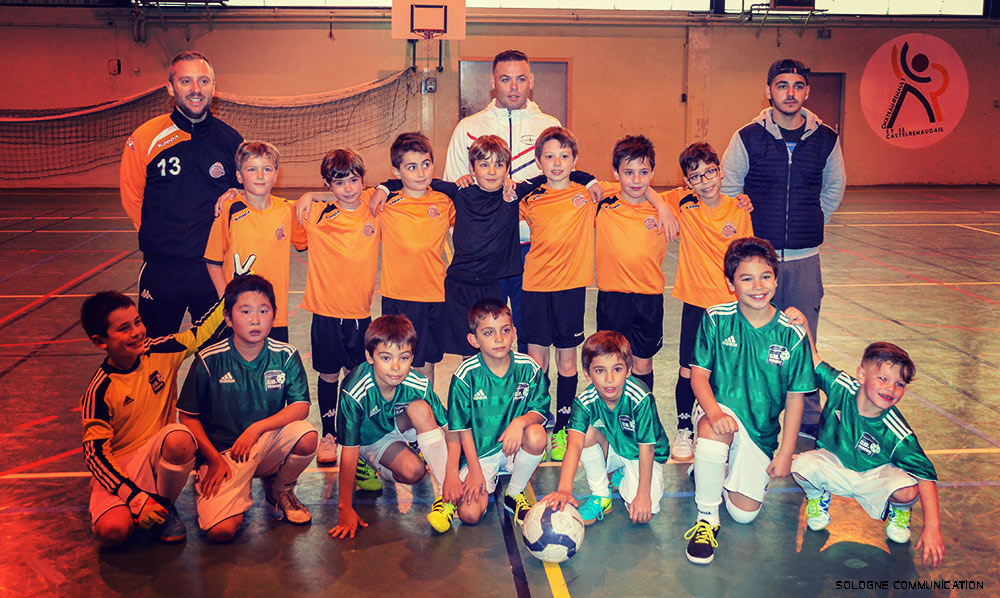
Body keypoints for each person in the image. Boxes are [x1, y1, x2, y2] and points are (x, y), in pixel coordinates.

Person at [721, 58, 846, 439]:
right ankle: (751, 411)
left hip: (805, 259)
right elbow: (729, 188)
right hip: (759, 260)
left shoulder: (826, 139)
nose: (790, 93)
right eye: (782, 85)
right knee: (753, 338)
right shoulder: (747, 137)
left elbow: (833, 188)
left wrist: (810, 220)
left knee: (803, 339)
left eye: (797, 85)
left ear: (807, 91)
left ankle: (807, 418)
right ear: (768, 91)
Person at [684, 236, 816, 565]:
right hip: (720, 409)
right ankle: (706, 519)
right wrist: (713, 413)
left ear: (776, 279)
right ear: (731, 284)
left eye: (765, 276)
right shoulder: (716, 318)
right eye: (746, 278)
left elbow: (796, 399)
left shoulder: (792, 333)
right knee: (714, 434)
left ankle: (712, 468)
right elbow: (698, 377)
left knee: (744, 515)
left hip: (761, 429)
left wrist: (785, 453)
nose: (758, 286)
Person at [783, 311, 945, 566]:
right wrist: (803, 325)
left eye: (900, 384)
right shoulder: (841, 387)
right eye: (883, 378)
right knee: (801, 466)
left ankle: (900, 513)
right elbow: (814, 361)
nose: (891, 388)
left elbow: (926, 475)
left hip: (873, 477)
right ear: (861, 376)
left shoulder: (897, 432)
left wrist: (932, 527)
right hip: (835, 464)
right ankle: (818, 498)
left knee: (907, 489)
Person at [79, 290, 225, 546]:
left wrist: (233, 291)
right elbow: (95, 455)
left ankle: (164, 507)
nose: (136, 332)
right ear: (100, 341)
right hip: (120, 467)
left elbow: (202, 333)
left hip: (157, 453)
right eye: (124, 328)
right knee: (113, 532)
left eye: (137, 322)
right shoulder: (99, 390)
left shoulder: (161, 351)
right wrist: (134, 497)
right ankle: (141, 504)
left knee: (180, 439)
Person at [177, 275, 317, 541]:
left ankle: (280, 489)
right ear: (228, 318)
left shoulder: (285, 355)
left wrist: (257, 428)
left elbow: (300, 407)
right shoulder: (209, 360)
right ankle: (213, 481)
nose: (255, 320)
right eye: (245, 312)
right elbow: (187, 417)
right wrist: (214, 459)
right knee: (221, 532)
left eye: (263, 311)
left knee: (306, 435)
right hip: (225, 454)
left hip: (264, 443)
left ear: (274, 315)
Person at [443, 49, 561, 354]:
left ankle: (528, 386)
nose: (513, 86)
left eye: (521, 79)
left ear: (531, 81)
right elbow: (454, 189)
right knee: (484, 335)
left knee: (529, 332)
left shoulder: (549, 126)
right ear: (493, 81)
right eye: (506, 79)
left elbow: (560, 183)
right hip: (484, 257)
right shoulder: (468, 128)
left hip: (532, 249)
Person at [120, 51, 243, 338]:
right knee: (156, 356)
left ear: (213, 87)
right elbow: (132, 196)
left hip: (214, 271)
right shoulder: (146, 138)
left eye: (203, 81)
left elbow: (245, 196)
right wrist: (162, 242)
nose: (196, 89)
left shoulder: (231, 141)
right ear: (170, 87)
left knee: (217, 355)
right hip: (163, 270)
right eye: (186, 81)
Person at [665, 142, 754, 462]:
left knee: (726, 370)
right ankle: (683, 429)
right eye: (696, 176)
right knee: (688, 370)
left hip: (729, 307)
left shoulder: (739, 209)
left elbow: (746, 259)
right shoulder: (683, 203)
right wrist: (663, 209)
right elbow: (646, 192)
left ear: (721, 171)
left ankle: (723, 424)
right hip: (696, 303)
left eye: (710, 172)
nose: (705, 181)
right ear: (687, 181)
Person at [292, 149, 380, 466]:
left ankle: (356, 433)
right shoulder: (314, 213)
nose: (348, 188)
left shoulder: (374, 205)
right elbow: (275, 211)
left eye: (354, 180)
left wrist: (316, 193)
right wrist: (309, 197)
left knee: (357, 377)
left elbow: (395, 185)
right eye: (339, 183)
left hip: (359, 314)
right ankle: (328, 434)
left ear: (363, 180)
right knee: (328, 375)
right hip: (326, 312)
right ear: (328, 184)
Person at [329, 315, 451, 539]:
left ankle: (446, 497)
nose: (395, 367)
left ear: (412, 357)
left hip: (395, 422)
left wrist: (464, 474)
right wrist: (345, 509)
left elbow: (449, 428)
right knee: (414, 472)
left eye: (404, 357)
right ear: (370, 356)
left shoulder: (417, 383)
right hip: (368, 438)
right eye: (386, 357)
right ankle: (367, 462)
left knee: (422, 408)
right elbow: (348, 451)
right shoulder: (354, 390)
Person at [518, 126, 595, 462]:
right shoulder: (529, 197)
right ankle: (538, 420)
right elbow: (499, 201)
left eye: (564, 156)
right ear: (538, 162)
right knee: (537, 362)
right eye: (549, 156)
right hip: (535, 287)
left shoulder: (587, 194)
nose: (557, 162)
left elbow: (630, 188)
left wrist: (589, 179)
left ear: (575, 160)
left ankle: (562, 427)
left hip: (570, 290)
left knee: (566, 361)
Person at [438, 299, 549, 531]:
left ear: (514, 333)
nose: (499, 339)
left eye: (505, 330)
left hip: (514, 447)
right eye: (489, 333)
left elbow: (540, 410)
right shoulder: (466, 375)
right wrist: (474, 470)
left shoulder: (529, 367)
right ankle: (482, 480)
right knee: (469, 514)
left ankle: (514, 493)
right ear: (474, 340)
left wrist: (520, 422)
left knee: (537, 435)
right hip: (480, 453)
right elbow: (461, 429)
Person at [539, 331, 670, 526]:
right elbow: (574, 445)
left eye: (617, 369)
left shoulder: (640, 398)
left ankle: (623, 475)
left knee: (645, 512)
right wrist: (564, 489)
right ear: (587, 373)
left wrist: (643, 495)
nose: (609, 379)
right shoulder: (584, 402)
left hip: (642, 454)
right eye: (600, 370)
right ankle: (601, 495)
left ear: (628, 370)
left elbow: (647, 449)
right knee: (585, 432)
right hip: (614, 446)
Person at [376, 132, 455, 388]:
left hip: (434, 295)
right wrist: (311, 196)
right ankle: (396, 410)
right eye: (411, 167)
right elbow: (346, 197)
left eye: (426, 164)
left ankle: (424, 408)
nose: (421, 173)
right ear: (396, 171)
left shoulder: (444, 201)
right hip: (398, 296)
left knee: (425, 364)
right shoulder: (385, 202)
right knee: (395, 362)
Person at [204, 141, 303, 343]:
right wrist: (227, 301)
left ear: (276, 175)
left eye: (267, 169)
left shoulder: (287, 210)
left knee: (273, 363)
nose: (260, 176)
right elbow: (212, 261)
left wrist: (311, 195)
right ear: (239, 176)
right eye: (252, 169)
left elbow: (308, 238)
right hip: (239, 314)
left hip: (275, 315)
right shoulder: (229, 209)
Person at [593, 135, 668, 397]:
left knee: (643, 363)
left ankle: (641, 413)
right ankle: (610, 413)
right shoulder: (603, 200)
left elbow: (705, 195)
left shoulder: (667, 207)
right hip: (613, 298)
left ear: (653, 173)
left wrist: (660, 204)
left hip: (649, 299)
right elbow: (578, 180)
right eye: (628, 172)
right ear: (616, 173)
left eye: (643, 172)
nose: (636, 180)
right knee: (611, 362)